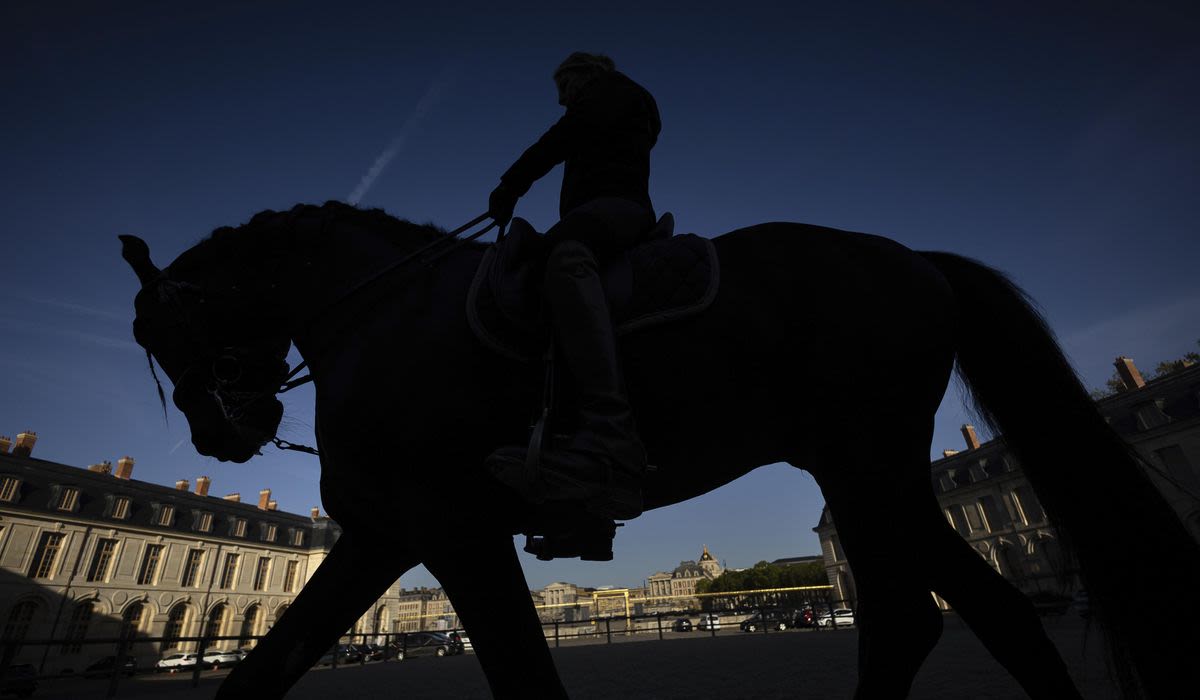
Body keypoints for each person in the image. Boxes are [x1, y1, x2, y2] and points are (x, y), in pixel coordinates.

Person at [485, 52, 661, 520]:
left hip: (617, 209)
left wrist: (511, 184)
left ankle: (609, 428)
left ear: (585, 76)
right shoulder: (611, 103)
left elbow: (559, 139)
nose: (563, 100)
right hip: (599, 211)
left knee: (565, 261)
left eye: (565, 88)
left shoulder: (614, 93)